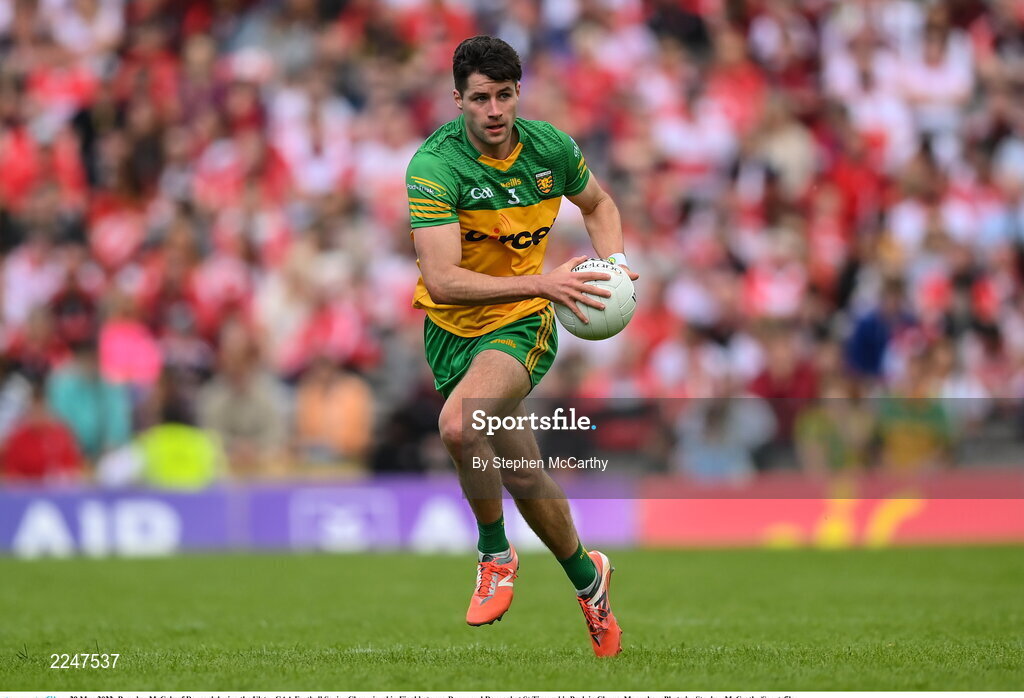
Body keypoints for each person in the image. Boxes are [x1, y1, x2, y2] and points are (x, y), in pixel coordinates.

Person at [406, 36, 637, 657]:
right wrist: (548, 278)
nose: (494, 109)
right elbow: (443, 281)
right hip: (452, 330)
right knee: (523, 473)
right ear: (458, 99)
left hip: (523, 323)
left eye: (504, 95)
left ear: (517, 95)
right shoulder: (436, 167)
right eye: (479, 97)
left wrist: (612, 265)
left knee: (459, 427)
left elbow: (599, 203)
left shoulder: (551, 148)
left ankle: (494, 553)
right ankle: (591, 582)